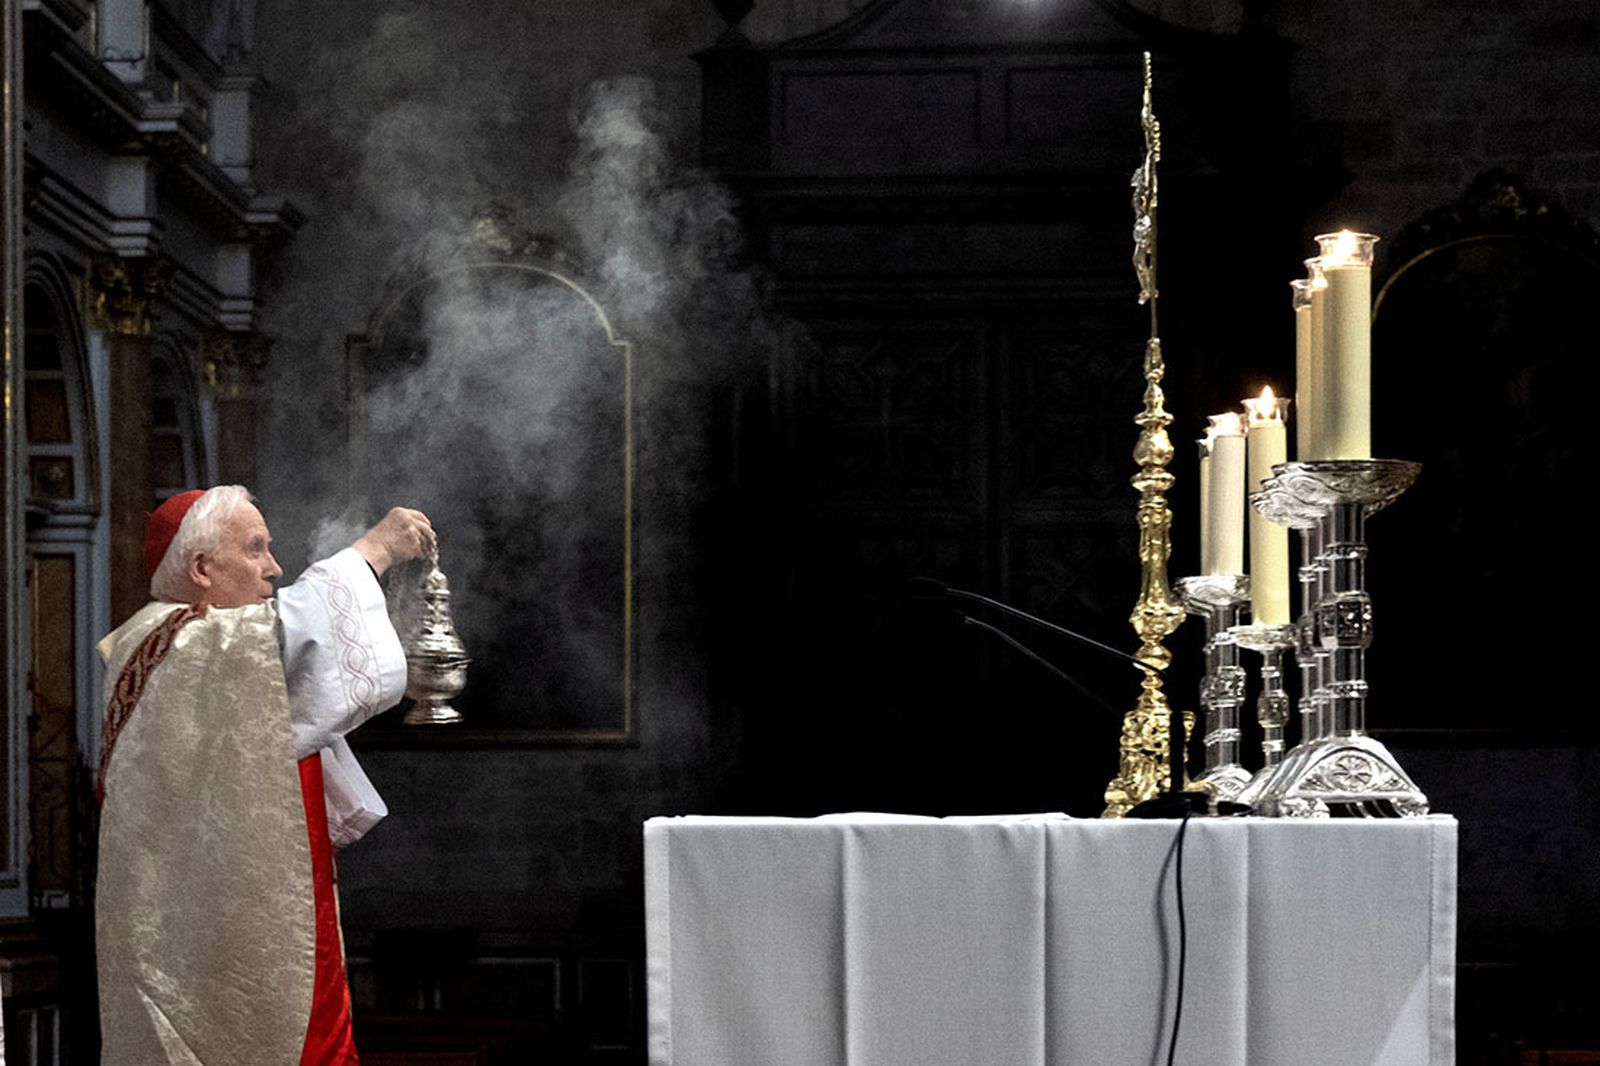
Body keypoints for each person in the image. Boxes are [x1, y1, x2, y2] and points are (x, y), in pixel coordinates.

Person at [95, 485, 434, 1065]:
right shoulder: (174, 643)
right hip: (205, 957)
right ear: (201, 568)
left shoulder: (190, 645)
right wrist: (373, 551)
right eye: (256, 549)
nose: (274, 569)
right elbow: (291, 634)